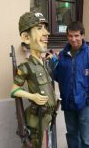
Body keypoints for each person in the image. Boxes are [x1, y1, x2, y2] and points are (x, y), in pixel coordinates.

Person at [52, 21, 89, 148]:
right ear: (67, 36)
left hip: (85, 105)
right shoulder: (62, 55)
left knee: (86, 139)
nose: (73, 39)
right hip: (68, 103)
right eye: (70, 36)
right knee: (71, 135)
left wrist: (88, 99)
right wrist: (52, 65)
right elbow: (58, 76)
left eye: (76, 35)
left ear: (82, 35)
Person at [11, 12, 56, 148]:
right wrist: (32, 96)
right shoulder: (26, 67)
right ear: (26, 37)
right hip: (36, 122)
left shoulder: (43, 64)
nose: (46, 33)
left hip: (47, 119)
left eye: (45, 28)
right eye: (39, 28)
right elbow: (14, 91)